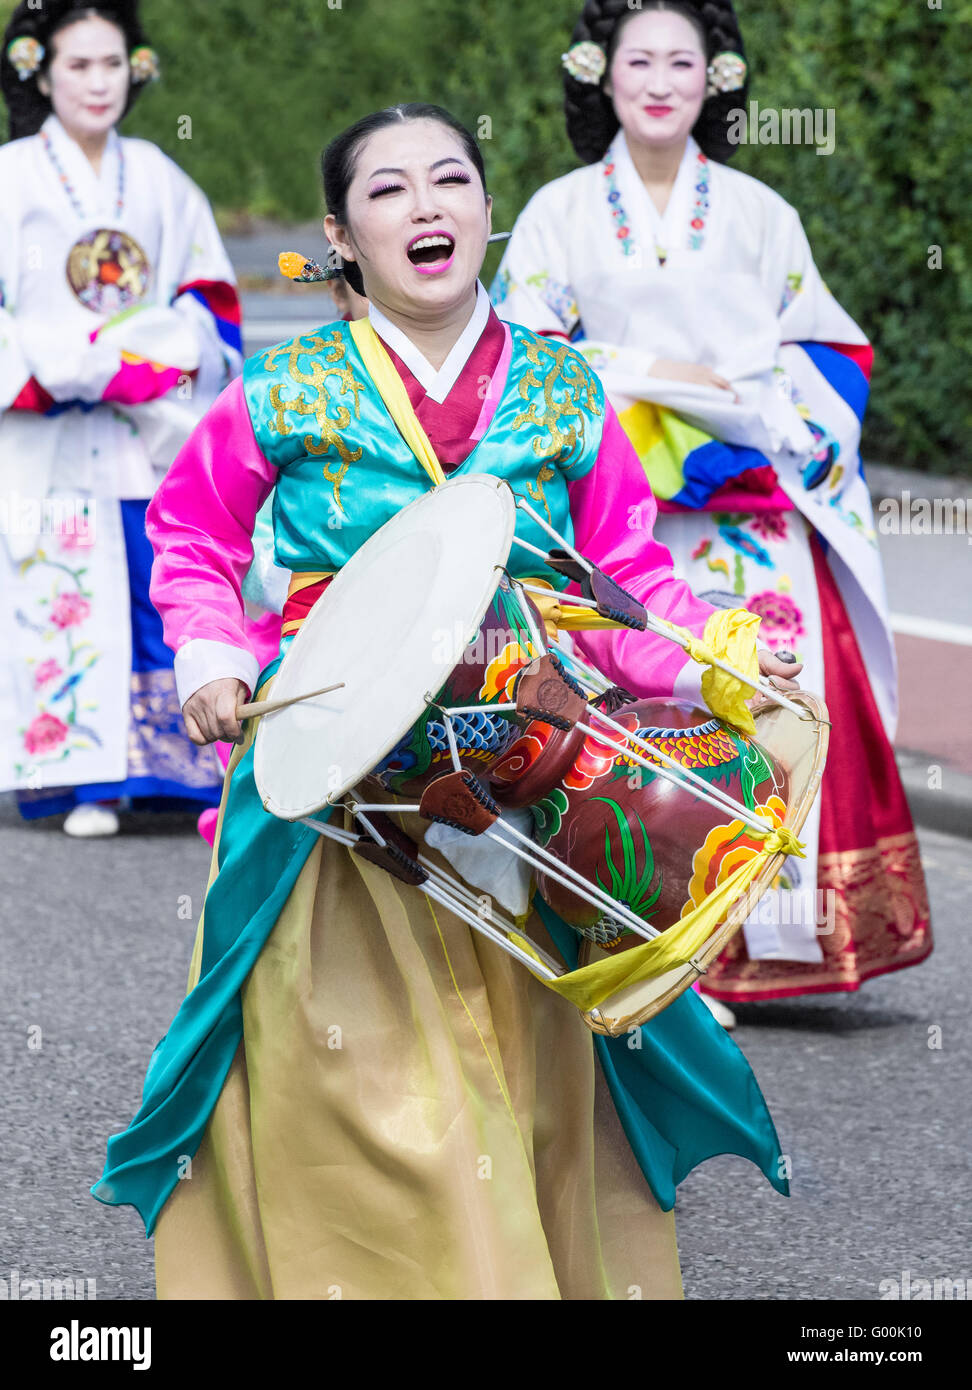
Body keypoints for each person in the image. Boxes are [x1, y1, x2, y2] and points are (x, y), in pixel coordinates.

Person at [91, 103, 803, 1301]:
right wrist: (212, 652)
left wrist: (710, 660)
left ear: (486, 211)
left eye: (452, 180)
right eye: (389, 191)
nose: (427, 205)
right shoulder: (285, 388)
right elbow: (192, 532)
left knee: (522, 1072)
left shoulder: (563, 390)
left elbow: (625, 578)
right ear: (339, 236)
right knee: (358, 1080)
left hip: (526, 782)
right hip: (338, 788)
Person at [491, 0, 931, 1017]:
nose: (658, 81)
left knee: (770, 691)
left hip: (746, 503)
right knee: (651, 716)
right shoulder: (559, 210)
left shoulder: (758, 212)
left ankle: (760, 942)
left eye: (680, 62)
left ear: (715, 77)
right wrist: (651, 382)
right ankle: (661, 942)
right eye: (637, 60)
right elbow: (526, 354)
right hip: (627, 517)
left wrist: (764, 421)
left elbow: (824, 346)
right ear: (602, 75)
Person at [0, 1, 243, 836]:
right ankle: (79, 777)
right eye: (79, 65)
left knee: (153, 581)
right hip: (47, 431)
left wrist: (162, 352)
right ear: (39, 69)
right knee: (63, 589)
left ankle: (168, 771)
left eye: (113, 64)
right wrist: (45, 367)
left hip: (148, 431)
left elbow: (208, 295)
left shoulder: (161, 180)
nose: (99, 83)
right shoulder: (10, 177)